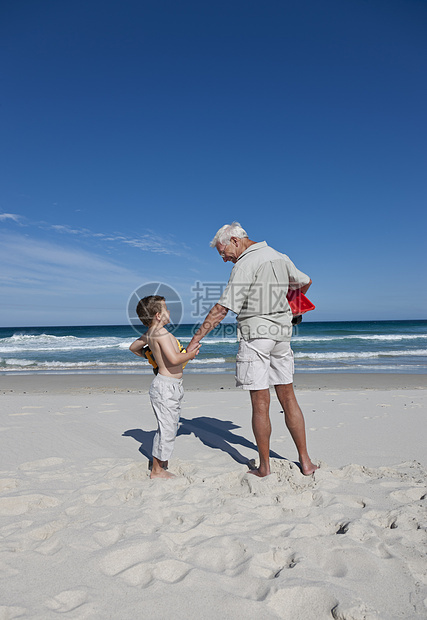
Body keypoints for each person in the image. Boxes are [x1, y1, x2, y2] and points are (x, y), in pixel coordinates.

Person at [187, 222, 317, 478]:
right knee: (289, 398)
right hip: (281, 335)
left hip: (256, 336)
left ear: (236, 241)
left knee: (260, 404)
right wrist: (293, 307)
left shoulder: (245, 264)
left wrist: (196, 339)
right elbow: (306, 281)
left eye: (224, 253)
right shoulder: (280, 256)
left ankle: (265, 467)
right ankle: (306, 462)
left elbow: (222, 308)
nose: (225, 260)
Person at [130, 295, 201, 479]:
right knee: (167, 428)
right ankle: (157, 470)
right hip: (165, 387)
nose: (169, 312)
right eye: (166, 309)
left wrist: (149, 355)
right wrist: (191, 355)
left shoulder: (151, 333)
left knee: (170, 425)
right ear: (157, 315)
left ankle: (161, 462)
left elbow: (133, 347)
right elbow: (174, 359)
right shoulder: (160, 333)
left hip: (170, 385)